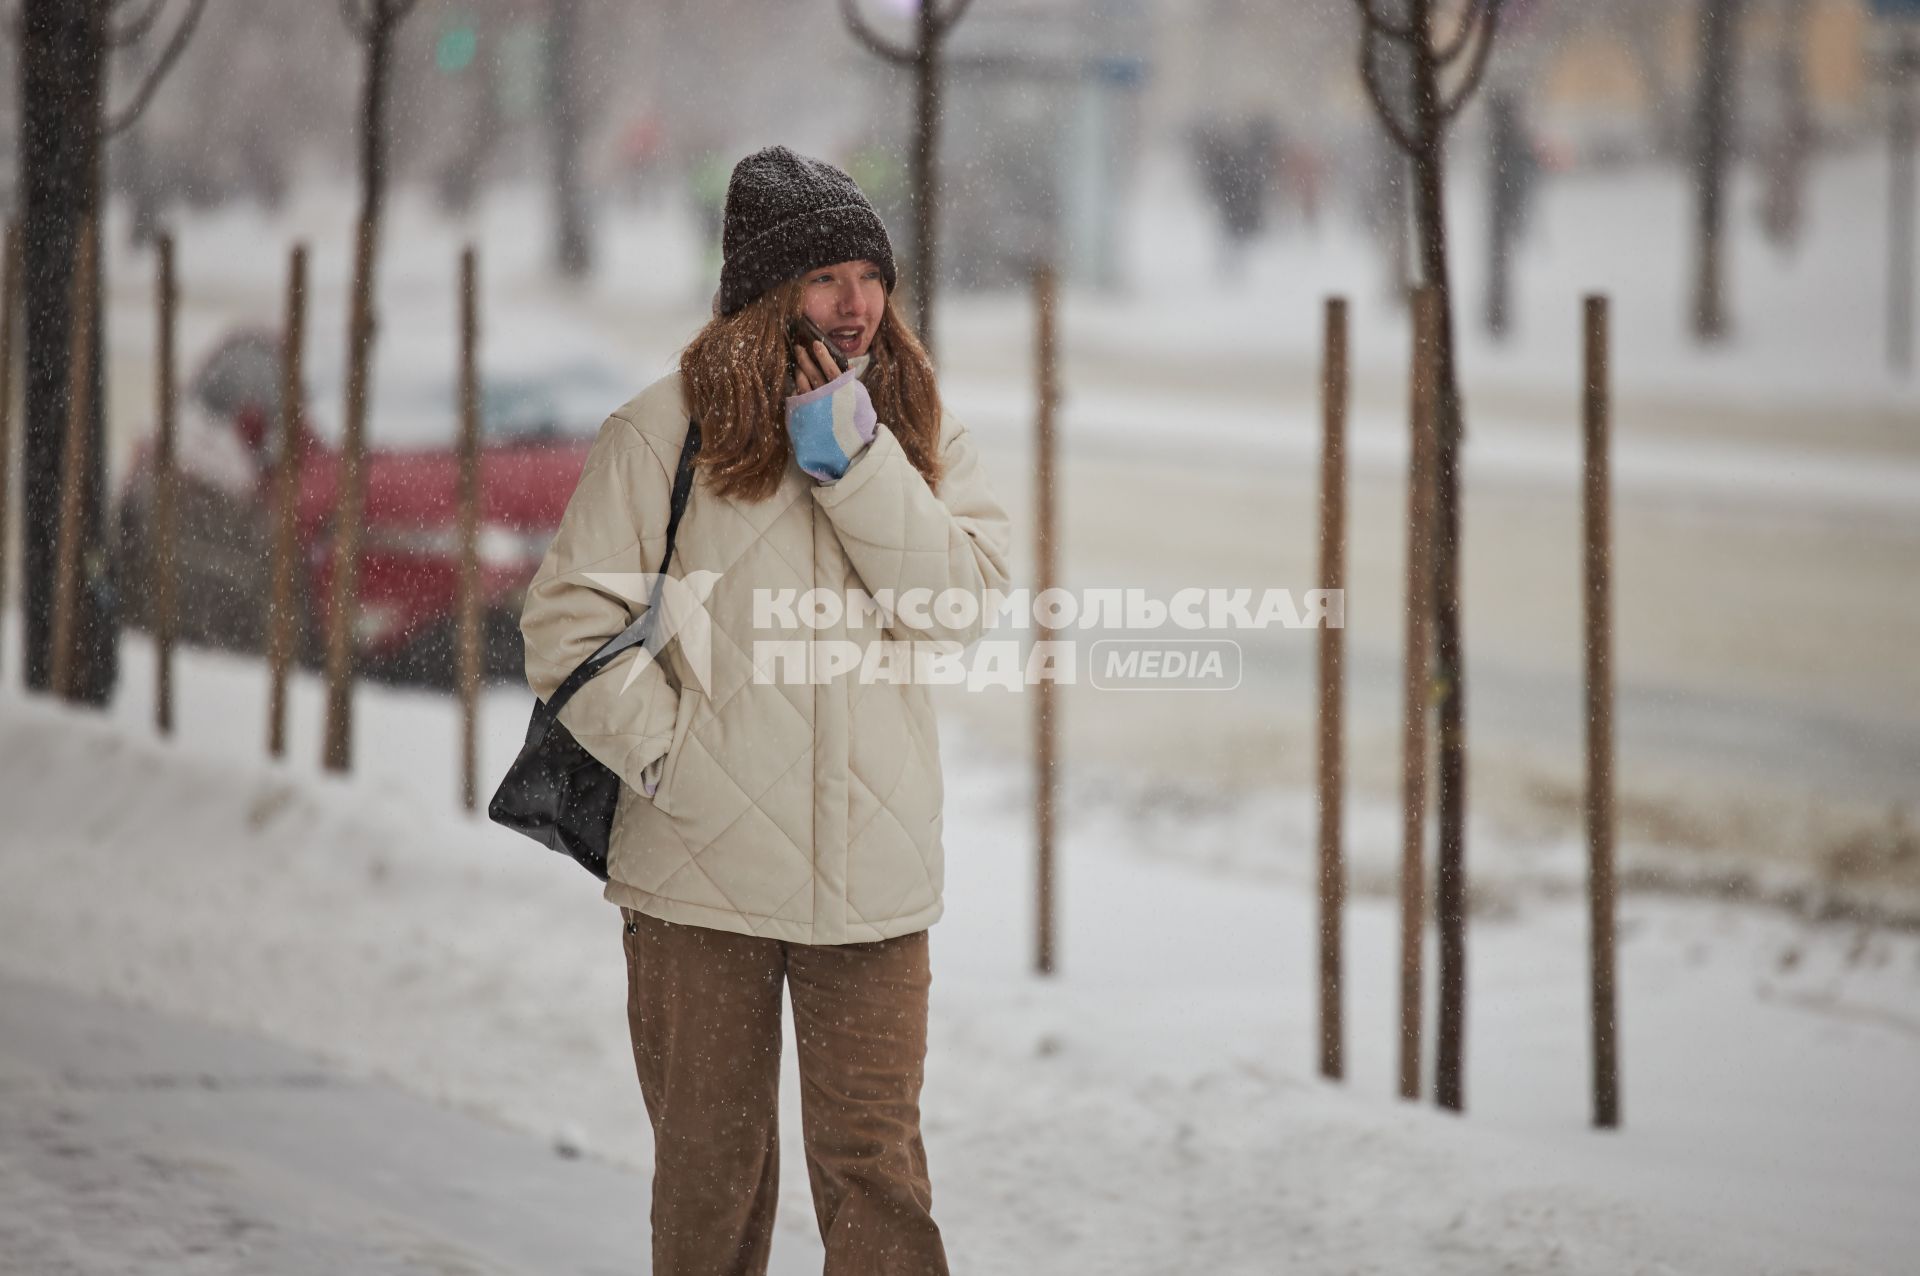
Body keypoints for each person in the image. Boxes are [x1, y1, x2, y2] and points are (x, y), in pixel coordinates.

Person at [519, 144, 1014, 1276]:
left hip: (872, 882)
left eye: (870, 275)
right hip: (699, 877)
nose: (857, 305)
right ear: (764, 292)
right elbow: (566, 627)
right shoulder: (664, 433)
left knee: (879, 1180)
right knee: (711, 1182)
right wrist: (677, 761)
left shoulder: (919, 429)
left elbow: (957, 606)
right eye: (826, 278)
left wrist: (857, 460)